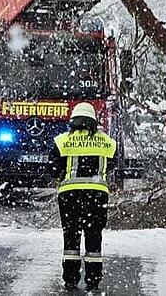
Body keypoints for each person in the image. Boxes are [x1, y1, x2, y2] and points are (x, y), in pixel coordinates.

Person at [50, 102, 118, 291]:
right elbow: (112, 165)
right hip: (97, 196)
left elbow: (54, 169)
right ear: (93, 121)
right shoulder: (107, 142)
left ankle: (71, 278)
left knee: (71, 237)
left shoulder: (62, 141)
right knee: (94, 236)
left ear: (73, 120)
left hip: (69, 196)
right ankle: (93, 280)